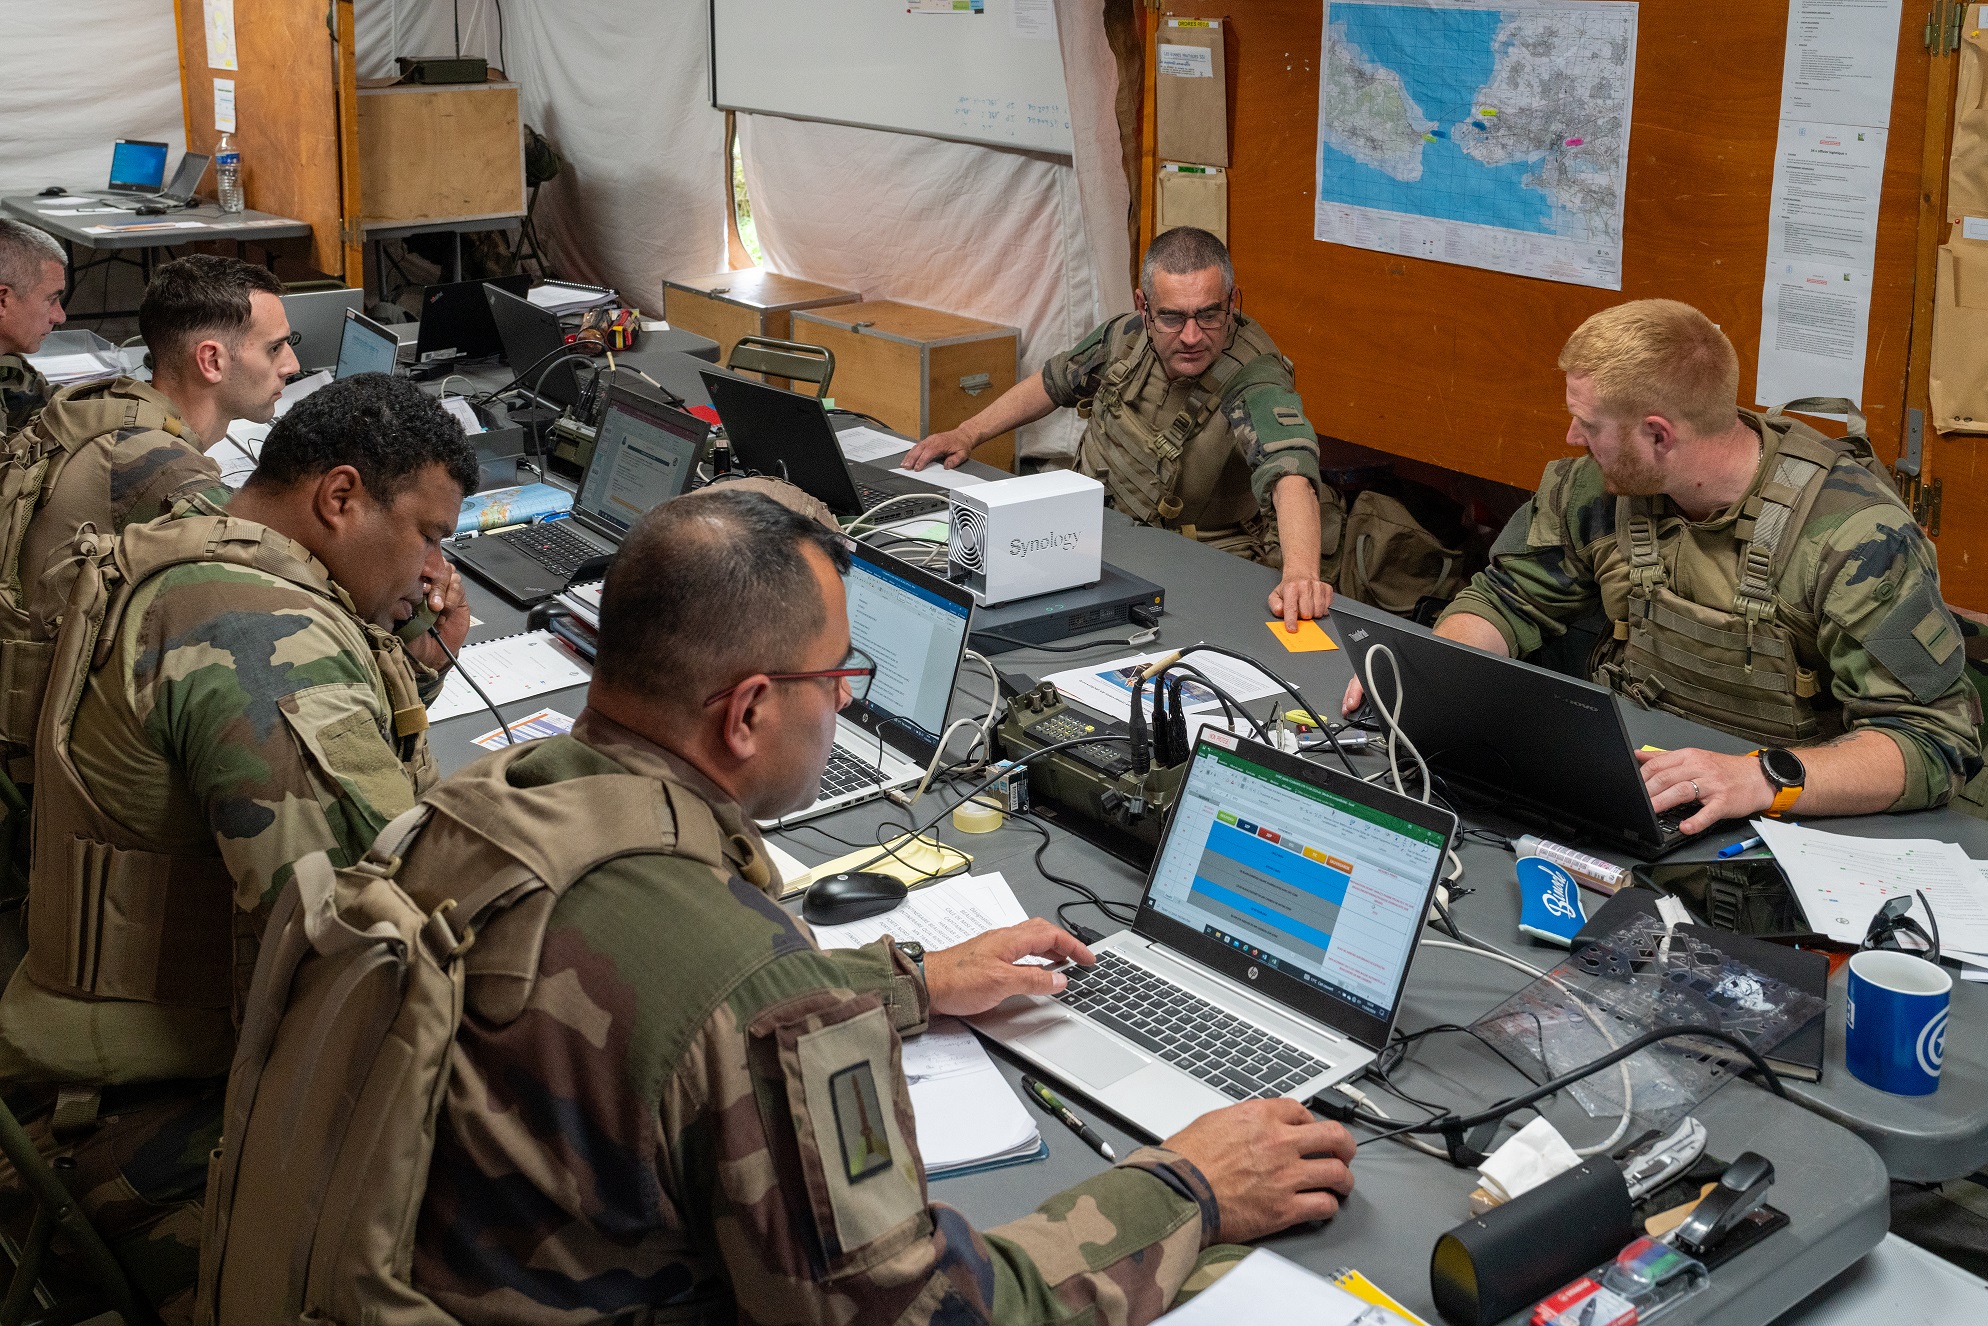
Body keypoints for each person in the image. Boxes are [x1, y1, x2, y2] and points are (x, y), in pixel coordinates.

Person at [385, 488, 1357, 1323]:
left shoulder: (485, 804)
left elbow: (651, 998)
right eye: (837, 678)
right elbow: (918, 1311)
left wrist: (906, 980)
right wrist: (1187, 1185)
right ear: (749, 711)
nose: (844, 704)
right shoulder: (755, 985)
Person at [0, 372, 478, 1323]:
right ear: (339, 498)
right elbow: (375, 936)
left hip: (91, 1062)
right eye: (428, 535)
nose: (432, 572)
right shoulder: (255, 634)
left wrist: (407, 661)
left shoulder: (209, 535)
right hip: (136, 1122)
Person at [1345, 299, 1983, 829]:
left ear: (1658, 435)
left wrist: (1760, 775)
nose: (1573, 440)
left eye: (1588, 424)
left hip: (1787, 817)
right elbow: (1509, 599)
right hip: (1634, 786)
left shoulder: (1854, 537)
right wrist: (1433, 677)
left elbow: (1932, 742)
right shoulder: (1597, 489)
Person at [901, 227, 1334, 629]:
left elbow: (1289, 472)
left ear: (1233, 302)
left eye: (1208, 315)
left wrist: (1300, 576)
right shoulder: (1126, 336)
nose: (1191, 336)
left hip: (1195, 555)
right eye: (1171, 317)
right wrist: (967, 433)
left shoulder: (1255, 377)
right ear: (1142, 306)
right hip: (1092, 530)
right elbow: (1054, 382)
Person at [0, 254, 300, 783]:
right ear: (211, 360)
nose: (291, 365)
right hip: (38, 779)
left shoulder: (108, 408)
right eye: (275, 347)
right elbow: (289, 578)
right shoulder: (154, 464)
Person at [0, 218, 68, 433]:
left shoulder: (6, 363)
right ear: (3, 301)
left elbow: (50, 404)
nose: (60, 316)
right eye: (51, 299)